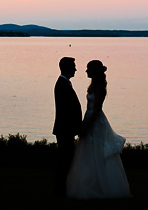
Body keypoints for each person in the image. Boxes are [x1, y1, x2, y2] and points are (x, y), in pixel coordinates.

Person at [66, 60, 131, 199]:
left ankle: (102, 186)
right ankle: (90, 183)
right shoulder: (93, 86)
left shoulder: (100, 87)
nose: (86, 71)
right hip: (89, 118)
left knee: (97, 152)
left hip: (95, 123)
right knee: (88, 153)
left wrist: (87, 126)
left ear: (94, 71)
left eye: (88, 68)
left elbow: (96, 110)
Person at [53, 56, 82, 197]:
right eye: (73, 66)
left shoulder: (65, 83)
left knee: (66, 158)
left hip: (66, 128)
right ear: (67, 67)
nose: (76, 69)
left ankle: (63, 187)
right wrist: (77, 126)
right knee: (65, 159)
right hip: (65, 128)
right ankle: (61, 189)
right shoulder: (62, 84)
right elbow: (67, 110)